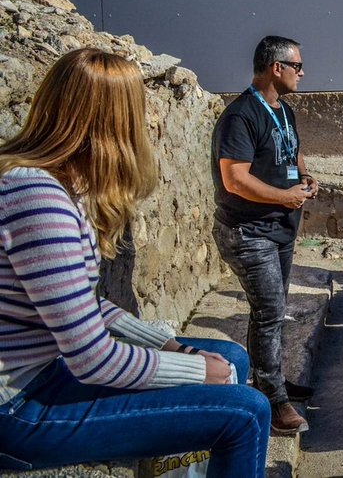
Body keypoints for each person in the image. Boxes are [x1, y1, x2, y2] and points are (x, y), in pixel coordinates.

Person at [0, 48, 271, 475]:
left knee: (230, 359)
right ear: (114, 123)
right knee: (246, 413)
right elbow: (92, 358)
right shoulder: (38, 200)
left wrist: (168, 345)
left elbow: (83, 306)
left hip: (43, 377)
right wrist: (194, 371)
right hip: (17, 409)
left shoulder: (55, 185)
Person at [211, 35, 317, 435]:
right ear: (277, 68)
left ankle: (272, 380)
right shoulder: (240, 116)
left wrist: (305, 176)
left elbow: (293, 150)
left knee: (274, 310)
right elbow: (235, 179)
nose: (302, 73)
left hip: (279, 230)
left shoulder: (284, 111)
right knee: (270, 311)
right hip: (250, 232)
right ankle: (272, 400)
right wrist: (286, 196)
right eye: (297, 66)